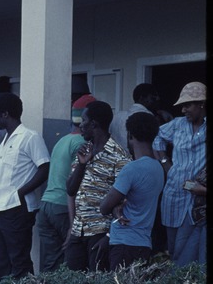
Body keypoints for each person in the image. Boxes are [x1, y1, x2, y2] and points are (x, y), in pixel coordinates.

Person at [0, 92, 50, 281]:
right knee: (1, 261)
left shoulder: (29, 137)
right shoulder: (4, 140)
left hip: (17, 208)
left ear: (6, 114)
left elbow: (44, 167)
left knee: (19, 260)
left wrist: (20, 193)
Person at [65, 100, 131, 271]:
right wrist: (81, 164)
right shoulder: (85, 149)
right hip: (78, 232)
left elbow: (126, 202)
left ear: (93, 123)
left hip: (100, 234)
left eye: (84, 120)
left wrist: (109, 236)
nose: (80, 126)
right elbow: (70, 189)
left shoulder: (119, 156)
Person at [36, 94, 96, 271]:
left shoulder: (63, 140)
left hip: (46, 205)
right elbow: (77, 183)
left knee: (50, 262)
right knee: (66, 263)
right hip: (62, 208)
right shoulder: (80, 143)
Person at [99, 112, 165, 269]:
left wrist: (115, 207)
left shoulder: (131, 169)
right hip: (144, 244)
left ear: (130, 135)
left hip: (123, 244)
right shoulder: (159, 169)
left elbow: (104, 207)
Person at [152, 81, 207, 265]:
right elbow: (157, 137)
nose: (183, 110)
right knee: (174, 249)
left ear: (202, 104)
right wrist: (166, 163)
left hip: (199, 201)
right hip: (175, 195)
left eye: (187, 105)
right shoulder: (177, 125)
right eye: (182, 106)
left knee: (191, 253)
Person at [109, 83, 161, 151]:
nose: (157, 100)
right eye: (153, 98)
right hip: (139, 159)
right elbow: (157, 144)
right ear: (142, 98)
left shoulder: (117, 116)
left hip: (117, 159)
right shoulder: (148, 117)